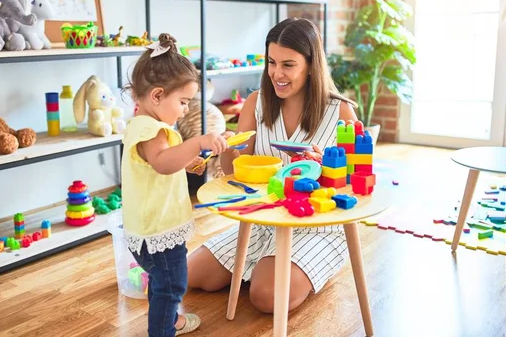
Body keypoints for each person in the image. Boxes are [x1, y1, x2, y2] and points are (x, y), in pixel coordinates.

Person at [187, 18, 358, 313]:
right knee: (188, 275)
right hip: (263, 220)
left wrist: (327, 168)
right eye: (271, 62)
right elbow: (233, 172)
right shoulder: (257, 103)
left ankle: (307, 268)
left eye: (288, 65)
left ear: (311, 64)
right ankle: (266, 268)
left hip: (315, 227)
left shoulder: (341, 110)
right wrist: (228, 146)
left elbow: (355, 186)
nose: (277, 73)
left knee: (265, 297)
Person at [121, 33, 230, 336]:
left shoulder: (141, 125)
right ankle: (162, 330)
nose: (185, 110)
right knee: (171, 285)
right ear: (157, 96)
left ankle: (169, 321)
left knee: (163, 282)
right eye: (182, 102)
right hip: (158, 228)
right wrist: (197, 142)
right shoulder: (152, 129)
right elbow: (162, 163)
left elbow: (163, 166)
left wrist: (191, 159)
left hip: (150, 226)